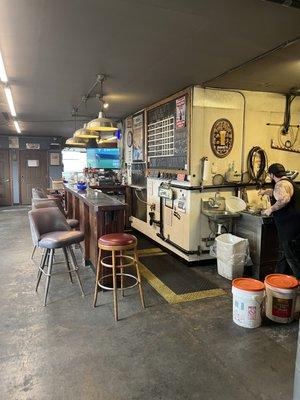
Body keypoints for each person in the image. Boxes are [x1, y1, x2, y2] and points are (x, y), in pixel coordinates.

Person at [260, 163, 300, 278]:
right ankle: (279, 282)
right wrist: (267, 192)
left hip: (290, 230)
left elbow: (283, 199)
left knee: (294, 260)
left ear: (272, 175)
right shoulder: (288, 182)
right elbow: (283, 194)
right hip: (292, 227)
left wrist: (270, 209)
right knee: (283, 256)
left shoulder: (280, 184)